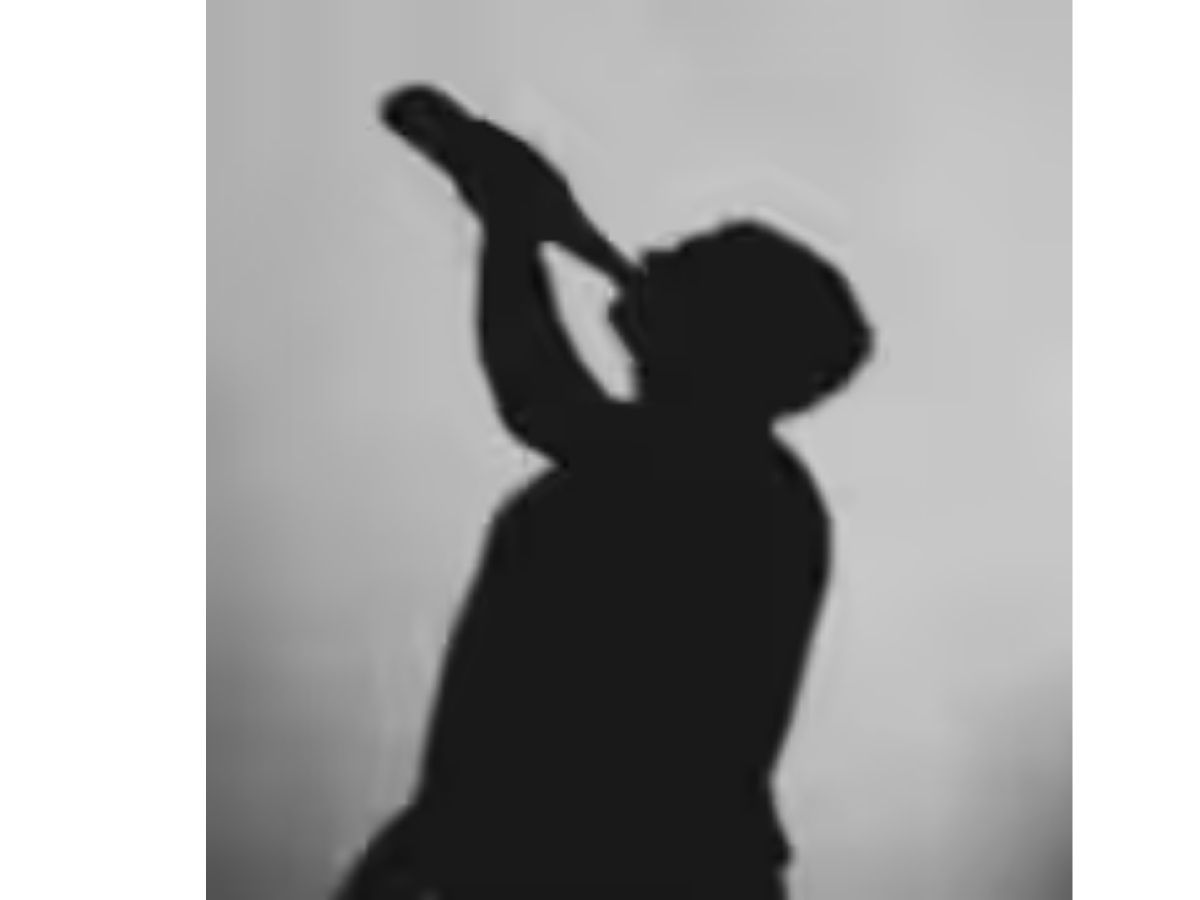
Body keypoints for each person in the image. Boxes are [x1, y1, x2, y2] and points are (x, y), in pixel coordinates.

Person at [337, 86, 872, 900]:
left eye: (689, 263)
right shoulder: (715, 476)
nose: (652, 255)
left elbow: (539, 398)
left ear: (730, 340)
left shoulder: (739, 484)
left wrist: (510, 232)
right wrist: (434, 828)